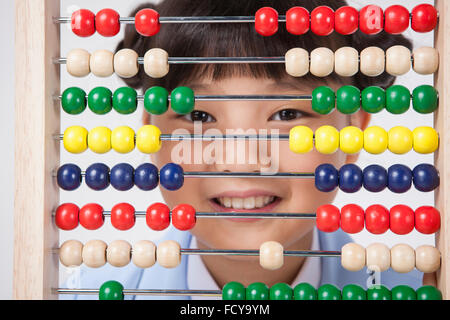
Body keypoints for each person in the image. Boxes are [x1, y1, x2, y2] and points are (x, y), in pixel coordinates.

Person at [62, 0, 428, 300]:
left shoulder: (423, 291)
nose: (242, 161)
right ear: (150, 132)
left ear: (354, 130)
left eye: (286, 114)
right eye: (197, 114)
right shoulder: (85, 295)